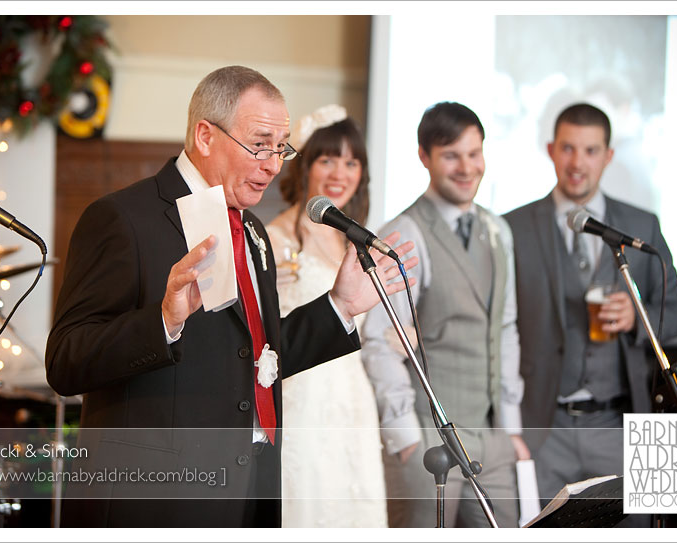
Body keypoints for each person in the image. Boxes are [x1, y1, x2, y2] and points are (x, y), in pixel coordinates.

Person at [44, 66, 415, 528]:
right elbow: (65, 362)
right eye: (259, 144)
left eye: (281, 147)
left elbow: (259, 356)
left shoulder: (253, 229)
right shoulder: (122, 218)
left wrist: (340, 304)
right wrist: (163, 322)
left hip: (247, 490)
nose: (274, 164)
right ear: (205, 135)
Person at [503, 103, 677, 512]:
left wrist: (636, 319)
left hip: (621, 424)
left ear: (608, 156)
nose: (578, 163)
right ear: (551, 150)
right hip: (541, 427)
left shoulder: (643, 226)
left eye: (590, 151)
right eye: (568, 149)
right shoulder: (511, 227)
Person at [361, 102, 529, 528]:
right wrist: (404, 438)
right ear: (424, 156)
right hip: (429, 439)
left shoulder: (498, 231)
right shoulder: (405, 233)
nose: (466, 167)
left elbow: (504, 330)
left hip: (493, 440)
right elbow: (381, 340)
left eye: (474, 154)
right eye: (451, 155)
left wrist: (511, 429)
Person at [265, 104, 388, 527]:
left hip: (352, 396)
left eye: (351, 162)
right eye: (327, 159)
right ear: (304, 168)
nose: (340, 172)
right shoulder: (277, 238)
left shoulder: (354, 240)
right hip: (304, 396)